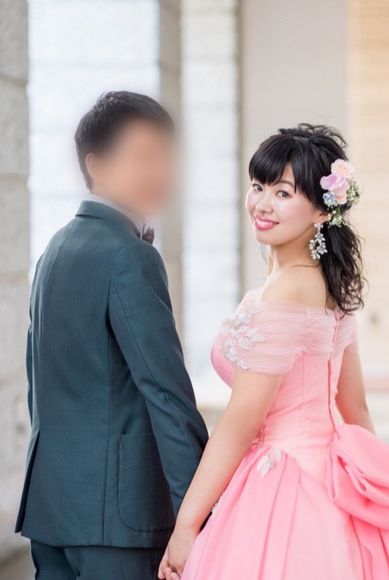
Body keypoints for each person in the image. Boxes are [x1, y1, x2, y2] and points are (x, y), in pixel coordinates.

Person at [159, 124, 389, 579]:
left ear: (322, 211)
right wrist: (377, 501)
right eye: (257, 186)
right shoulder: (328, 286)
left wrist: (187, 524)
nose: (262, 204)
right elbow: (355, 408)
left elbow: (241, 420)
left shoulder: (288, 290)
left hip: (285, 483)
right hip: (329, 476)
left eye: (283, 193)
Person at [15, 91, 209, 580]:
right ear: (96, 166)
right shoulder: (130, 255)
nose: (159, 172)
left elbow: (41, 384)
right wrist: (198, 514)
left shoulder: (55, 249)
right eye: (142, 156)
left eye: (164, 155)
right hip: (119, 519)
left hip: (54, 507)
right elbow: (166, 395)